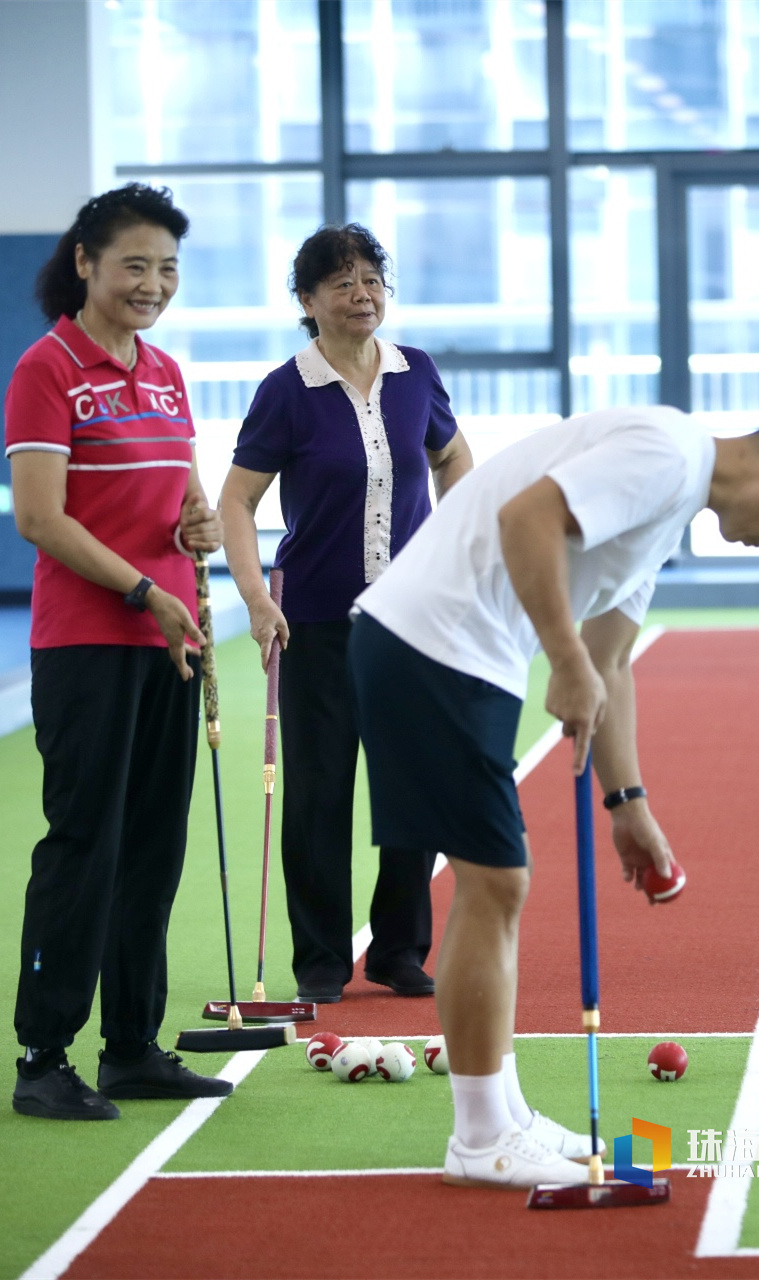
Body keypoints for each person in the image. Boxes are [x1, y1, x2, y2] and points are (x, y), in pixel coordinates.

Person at [347, 407, 759, 1187]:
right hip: (435, 644)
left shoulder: (670, 507)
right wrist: (562, 659)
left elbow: (610, 660)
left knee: (495, 885)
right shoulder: (667, 454)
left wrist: (629, 805)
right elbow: (530, 518)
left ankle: (504, 1116)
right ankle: (481, 1136)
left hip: (457, 653)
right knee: (496, 882)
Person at [6, 184, 233, 1121]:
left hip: (169, 643)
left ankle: (133, 1045)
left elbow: (179, 496)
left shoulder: (168, 371)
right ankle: (42, 1055)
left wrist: (197, 527)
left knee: (152, 848)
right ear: (87, 262)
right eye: (134, 264)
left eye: (167, 268)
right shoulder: (46, 368)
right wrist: (141, 589)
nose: (152, 283)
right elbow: (40, 519)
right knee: (85, 847)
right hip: (90, 646)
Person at [220, 223, 472, 1005]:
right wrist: (257, 598)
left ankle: (399, 950)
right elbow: (236, 501)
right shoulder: (285, 391)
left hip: (413, 621)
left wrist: (462, 547)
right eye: (343, 283)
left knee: (414, 787)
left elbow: (453, 458)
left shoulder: (415, 372)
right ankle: (322, 959)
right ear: (308, 300)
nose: (363, 295)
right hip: (316, 622)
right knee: (319, 793)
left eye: (373, 280)